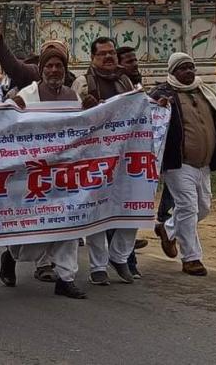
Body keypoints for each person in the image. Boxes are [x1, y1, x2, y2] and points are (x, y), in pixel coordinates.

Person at [0, 42, 86, 299]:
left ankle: (66, 278)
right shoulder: (27, 95)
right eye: (49, 65)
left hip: (64, 173)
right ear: (41, 69)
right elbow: (6, 124)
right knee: (29, 231)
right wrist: (11, 107)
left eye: (59, 66)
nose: (54, 70)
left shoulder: (73, 97)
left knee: (69, 224)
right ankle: (11, 255)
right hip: (32, 174)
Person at [149, 52, 216, 276]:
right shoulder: (162, 93)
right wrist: (159, 107)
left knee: (203, 208)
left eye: (191, 67)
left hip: (204, 164)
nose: (188, 72)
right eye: (183, 68)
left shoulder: (206, 93)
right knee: (188, 207)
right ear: (173, 72)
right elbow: (148, 118)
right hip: (178, 163)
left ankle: (167, 228)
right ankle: (191, 258)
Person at [73, 36, 139, 286]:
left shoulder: (125, 81)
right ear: (93, 58)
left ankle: (119, 256)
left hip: (124, 155)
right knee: (97, 211)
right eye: (103, 54)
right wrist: (86, 109)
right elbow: (72, 120)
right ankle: (98, 266)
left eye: (111, 52)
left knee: (133, 206)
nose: (109, 57)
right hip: (95, 156)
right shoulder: (83, 82)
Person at [116, 45, 147, 278]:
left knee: (133, 208)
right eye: (129, 61)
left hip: (134, 158)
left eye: (135, 60)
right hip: (112, 159)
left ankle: (127, 259)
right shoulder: (116, 86)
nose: (134, 65)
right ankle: (121, 260)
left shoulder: (135, 86)